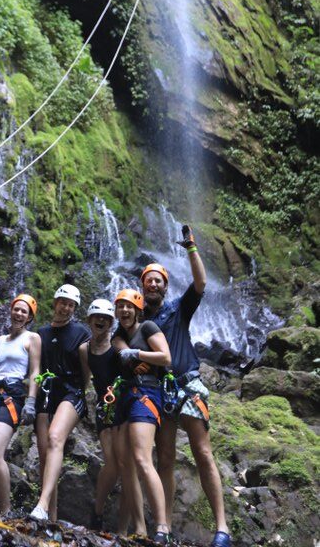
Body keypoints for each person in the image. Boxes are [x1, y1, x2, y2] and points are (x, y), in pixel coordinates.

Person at [140, 225, 231, 547]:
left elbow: (201, 283)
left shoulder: (178, 308)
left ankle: (222, 528)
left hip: (188, 384)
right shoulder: (137, 321)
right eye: (148, 280)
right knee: (164, 457)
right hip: (160, 392)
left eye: (158, 280)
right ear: (142, 287)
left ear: (165, 287)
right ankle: (163, 528)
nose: (153, 283)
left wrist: (191, 248)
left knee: (203, 452)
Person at [78, 298, 146, 535]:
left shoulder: (118, 345)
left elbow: (134, 364)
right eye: (97, 317)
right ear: (89, 320)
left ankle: (122, 529)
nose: (101, 321)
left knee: (127, 465)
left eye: (106, 319)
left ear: (111, 322)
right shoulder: (84, 349)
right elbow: (86, 380)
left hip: (125, 405)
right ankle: (97, 511)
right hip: (104, 407)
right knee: (113, 463)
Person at [112, 288, 172, 545]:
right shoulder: (118, 335)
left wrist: (137, 354)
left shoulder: (147, 327)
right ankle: (140, 528)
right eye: (121, 307)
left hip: (146, 392)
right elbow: (118, 346)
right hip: (125, 395)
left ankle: (162, 527)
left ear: (138, 310)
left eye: (129, 307)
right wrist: (126, 350)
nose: (125, 311)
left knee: (142, 458)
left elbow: (165, 357)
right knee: (126, 464)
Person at [29, 283, 90, 522]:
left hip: (71, 391)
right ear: (55, 303)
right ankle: (50, 518)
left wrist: (80, 393)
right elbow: (36, 368)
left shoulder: (81, 333)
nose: (66, 308)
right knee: (45, 454)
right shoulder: (40, 334)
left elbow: (86, 373)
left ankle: (41, 505)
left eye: (71, 305)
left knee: (55, 437)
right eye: (63, 303)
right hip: (46, 392)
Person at [0, 293, 41, 518]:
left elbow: (35, 371)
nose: (18, 313)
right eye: (16, 309)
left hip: (12, 395)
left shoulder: (32, 338)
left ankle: (6, 510)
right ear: (10, 311)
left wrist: (31, 402)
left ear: (29, 317)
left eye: (23, 311)